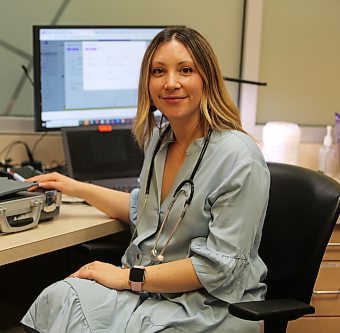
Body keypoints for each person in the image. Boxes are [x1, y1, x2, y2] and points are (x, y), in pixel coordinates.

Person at [21, 26, 270, 333]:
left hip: (210, 307)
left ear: (207, 78)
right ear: (147, 82)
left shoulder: (239, 157)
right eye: (158, 71)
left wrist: (127, 278)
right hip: (151, 293)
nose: (171, 83)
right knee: (60, 297)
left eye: (185, 70)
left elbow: (218, 268)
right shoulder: (160, 141)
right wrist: (74, 187)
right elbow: (148, 211)